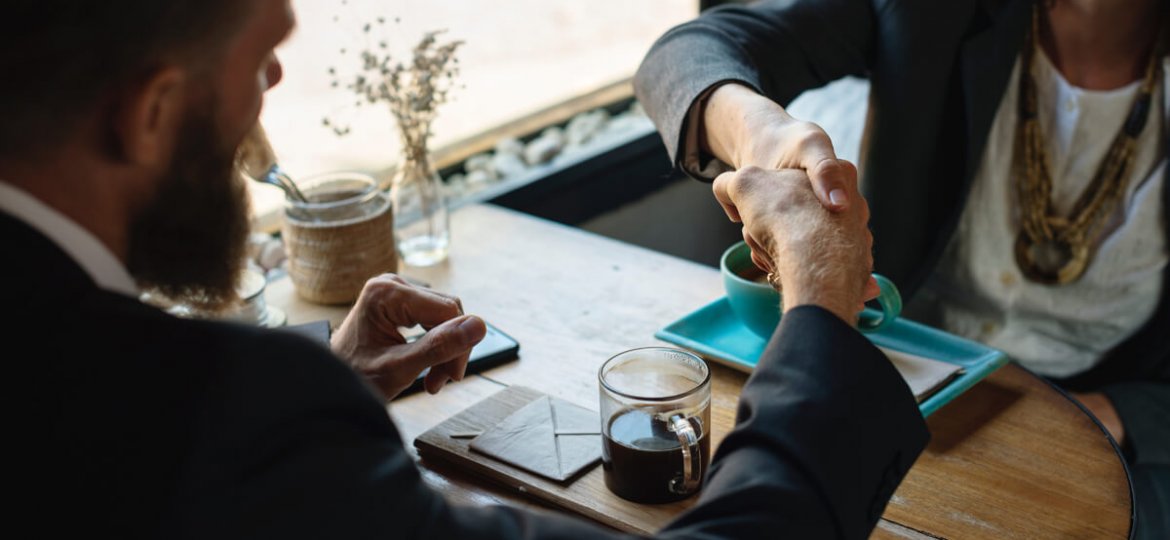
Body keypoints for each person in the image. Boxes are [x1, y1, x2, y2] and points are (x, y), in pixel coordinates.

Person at [3, 1, 928, 538]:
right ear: (151, 112)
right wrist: (820, 300)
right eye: (263, 59)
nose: (273, 90)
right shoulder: (212, 422)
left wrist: (326, 379)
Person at [634, 0, 1168, 535]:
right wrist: (761, 135)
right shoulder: (934, 11)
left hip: (1106, 426)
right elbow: (684, 56)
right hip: (901, 387)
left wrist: (1117, 414)